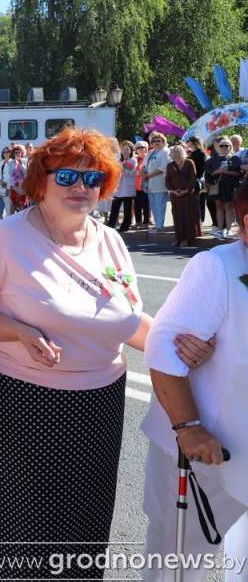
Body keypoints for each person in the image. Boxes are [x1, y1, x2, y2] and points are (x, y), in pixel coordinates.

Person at [0, 128, 213, 580]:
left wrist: (186, 348)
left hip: (100, 408)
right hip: (26, 408)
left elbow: (129, 322)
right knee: (24, 527)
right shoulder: (7, 237)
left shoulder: (109, 240)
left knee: (83, 528)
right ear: (41, 179)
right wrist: (14, 330)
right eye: (67, 175)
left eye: (93, 179)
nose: (81, 188)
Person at [139, 185, 248, 582]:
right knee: (180, 557)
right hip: (208, 454)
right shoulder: (218, 268)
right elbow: (166, 351)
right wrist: (189, 428)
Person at [204, 138, 242, 239]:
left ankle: (228, 230)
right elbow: (209, 173)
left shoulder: (235, 159)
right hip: (217, 186)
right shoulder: (212, 160)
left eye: (226, 145)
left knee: (228, 208)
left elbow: (238, 173)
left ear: (230, 147)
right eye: (221, 145)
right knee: (219, 208)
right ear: (217, 147)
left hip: (230, 186)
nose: (224, 147)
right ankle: (220, 230)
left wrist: (225, 172)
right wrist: (217, 171)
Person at [166, 145, 202, 247]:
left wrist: (186, 190)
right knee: (177, 216)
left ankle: (188, 239)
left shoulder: (189, 163)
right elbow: (167, 180)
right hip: (175, 195)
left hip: (188, 195)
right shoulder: (170, 165)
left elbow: (193, 178)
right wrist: (173, 191)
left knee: (188, 216)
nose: (170, 154)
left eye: (172, 152)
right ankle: (179, 238)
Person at [142, 131, 170, 233]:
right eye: (154, 141)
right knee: (153, 206)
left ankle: (159, 226)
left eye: (159, 140)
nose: (156, 142)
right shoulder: (150, 152)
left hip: (160, 183)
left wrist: (148, 175)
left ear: (163, 141)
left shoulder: (166, 152)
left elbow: (163, 168)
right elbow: (144, 166)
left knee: (160, 206)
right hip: (150, 184)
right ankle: (156, 224)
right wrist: (144, 174)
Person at [107, 140, 137, 232]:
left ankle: (125, 226)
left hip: (128, 188)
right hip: (118, 187)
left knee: (127, 209)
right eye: (123, 149)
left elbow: (131, 173)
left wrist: (123, 167)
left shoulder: (133, 160)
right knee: (115, 207)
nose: (125, 151)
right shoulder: (119, 160)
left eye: (127, 149)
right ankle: (111, 224)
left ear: (131, 150)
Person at [186, 136, 209, 225]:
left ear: (194, 142)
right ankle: (195, 220)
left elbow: (202, 168)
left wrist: (197, 178)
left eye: (189, 141)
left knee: (200, 201)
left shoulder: (200, 153)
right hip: (192, 180)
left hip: (198, 180)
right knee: (194, 202)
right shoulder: (192, 153)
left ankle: (200, 220)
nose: (187, 142)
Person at [134, 140, 152, 229]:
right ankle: (138, 222)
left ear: (146, 149)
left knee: (145, 205)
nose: (140, 149)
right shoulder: (134, 159)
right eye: (138, 147)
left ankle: (146, 222)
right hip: (135, 186)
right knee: (137, 205)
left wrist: (139, 172)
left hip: (145, 185)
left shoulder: (148, 158)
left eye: (142, 147)